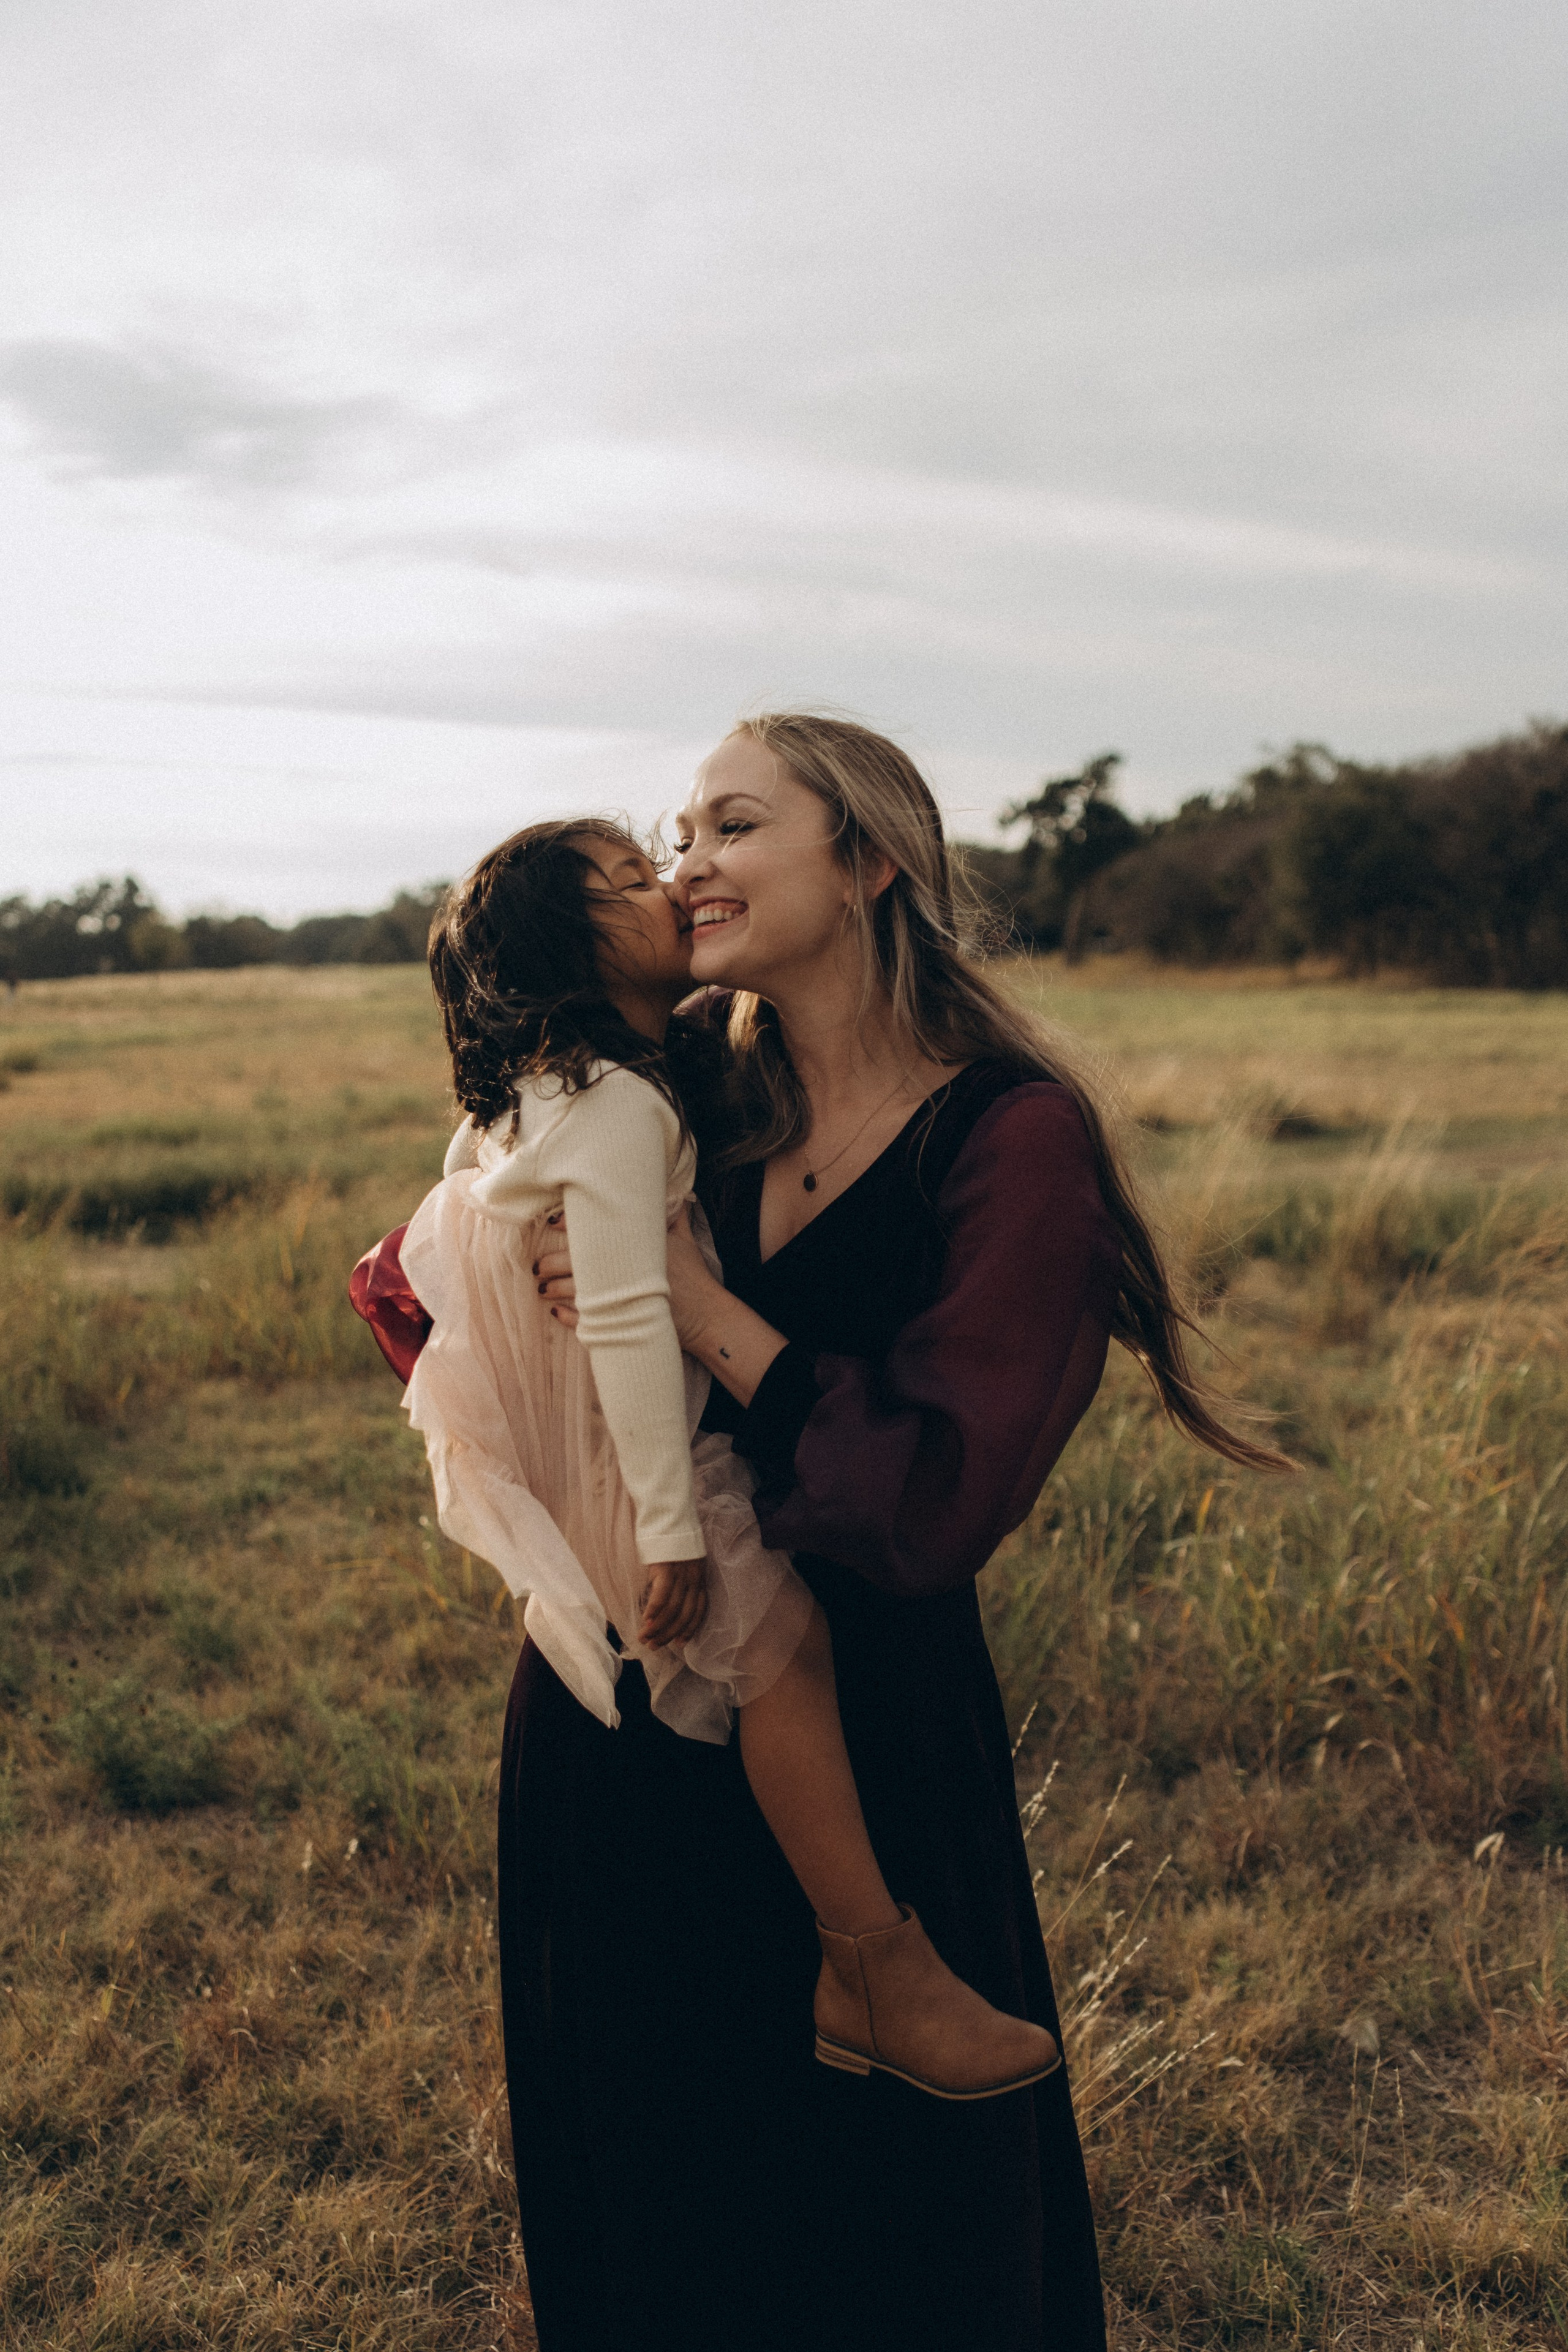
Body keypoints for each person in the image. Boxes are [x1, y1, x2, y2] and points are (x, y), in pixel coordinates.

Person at [517, 715, 1285, 2352]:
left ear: (870, 862)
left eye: (734, 826)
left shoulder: (1010, 1139)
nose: (686, 863)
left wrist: (700, 1309)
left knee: (896, 2230)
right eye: (676, 831)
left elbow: (930, 1499)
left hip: (867, 1728)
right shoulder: (686, 1089)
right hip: (629, 1715)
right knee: (664, 2192)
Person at [354, 817, 1063, 2101]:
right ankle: (870, 1959)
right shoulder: (622, 1099)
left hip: (590, 1468)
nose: (672, 878)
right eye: (638, 874)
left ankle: (869, 1965)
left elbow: (467, 1193)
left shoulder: (550, 1095)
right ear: (575, 954)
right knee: (781, 1652)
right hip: (643, 1467)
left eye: (704, 840)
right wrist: (672, 1520)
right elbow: (627, 1313)